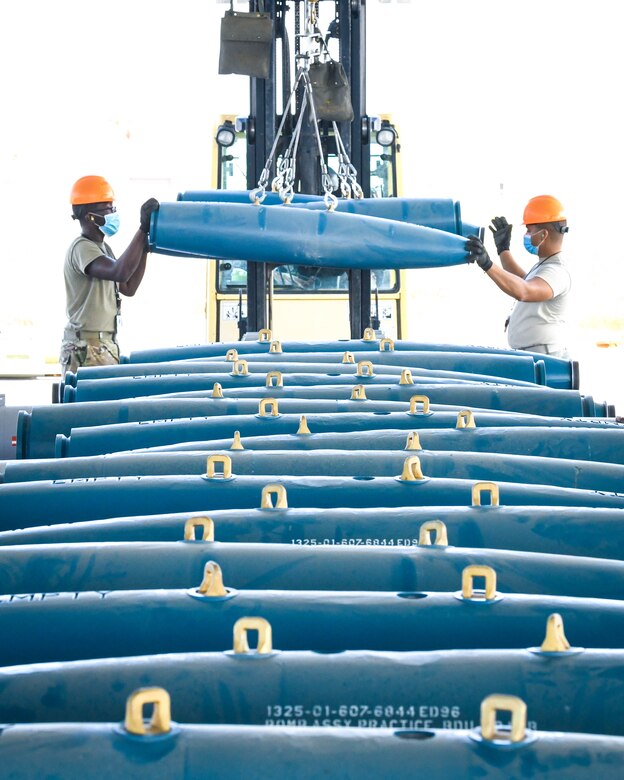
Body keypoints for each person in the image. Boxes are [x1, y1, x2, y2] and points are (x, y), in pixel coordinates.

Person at [60, 175, 159, 377]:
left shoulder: (103, 248)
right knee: (89, 409)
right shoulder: (82, 248)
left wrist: (144, 249)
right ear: (90, 216)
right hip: (86, 348)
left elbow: (128, 286)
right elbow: (119, 271)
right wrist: (142, 230)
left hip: (102, 345)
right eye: (107, 209)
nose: (113, 214)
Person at [465, 195, 571, 358]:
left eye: (529, 230)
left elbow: (525, 290)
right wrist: (503, 249)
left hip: (545, 358)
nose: (526, 235)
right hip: (535, 354)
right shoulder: (544, 265)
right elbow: (521, 280)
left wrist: (487, 264)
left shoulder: (557, 272)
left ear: (543, 235)